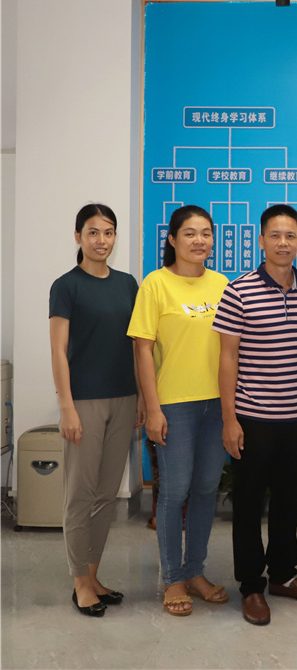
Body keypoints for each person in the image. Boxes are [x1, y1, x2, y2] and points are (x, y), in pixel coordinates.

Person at [212, 205, 297, 626]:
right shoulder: (238, 290)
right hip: (252, 418)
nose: (283, 243)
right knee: (247, 505)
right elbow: (227, 358)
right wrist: (229, 419)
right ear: (261, 241)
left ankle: (282, 575)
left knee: (289, 502)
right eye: (275, 235)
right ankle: (250, 586)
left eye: (290, 235)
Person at [128, 205, 230, 616]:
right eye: (189, 233)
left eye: (205, 233)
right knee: (173, 492)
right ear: (172, 239)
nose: (199, 240)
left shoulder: (222, 284)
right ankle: (172, 578)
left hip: (217, 405)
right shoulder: (155, 284)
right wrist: (153, 409)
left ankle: (194, 571)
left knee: (206, 489)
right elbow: (142, 350)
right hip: (174, 405)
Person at [49, 204, 144, 617]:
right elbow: (58, 350)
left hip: (124, 399)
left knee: (106, 495)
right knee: (80, 494)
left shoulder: (127, 284)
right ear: (78, 237)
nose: (101, 240)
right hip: (83, 402)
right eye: (93, 232)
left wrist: (142, 398)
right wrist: (66, 406)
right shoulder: (66, 286)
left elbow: (137, 345)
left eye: (108, 232)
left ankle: (93, 575)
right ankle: (79, 582)